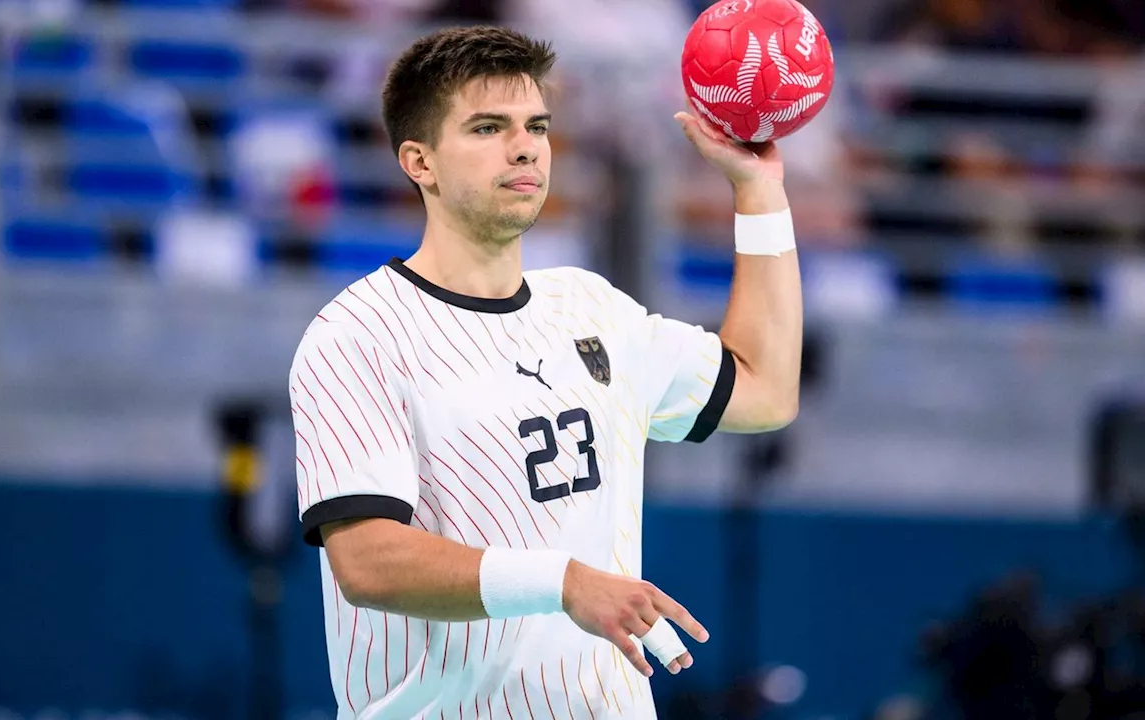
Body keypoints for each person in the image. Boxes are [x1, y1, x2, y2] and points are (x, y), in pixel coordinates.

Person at [288, 25, 803, 719]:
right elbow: (368, 561)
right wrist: (560, 581)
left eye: (537, 125)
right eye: (487, 127)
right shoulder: (358, 335)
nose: (525, 145)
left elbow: (765, 390)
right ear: (420, 161)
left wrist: (759, 191)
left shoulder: (593, 309)